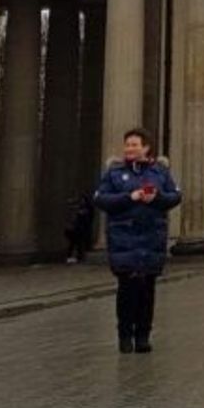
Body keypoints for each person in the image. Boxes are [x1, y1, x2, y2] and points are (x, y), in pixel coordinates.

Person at [92, 128, 182, 353]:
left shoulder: (160, 172)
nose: (129, 149)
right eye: (127, 145)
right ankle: (125, 335)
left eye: (134, 145)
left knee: (147, 289)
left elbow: (174, 196)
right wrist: (129, 197)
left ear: (146, 148)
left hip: (152, 236)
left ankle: (143, 335)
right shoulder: (114, 173)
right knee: (127, 288)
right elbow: (101, 199)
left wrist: (157, 197)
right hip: (124, 237)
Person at [64, 194, 94, 263]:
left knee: (77, 244)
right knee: (75, 244)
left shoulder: (84, 210)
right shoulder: (78, 210)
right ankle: (74, 257)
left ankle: (77, 257)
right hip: (74, 230)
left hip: (77, 229)